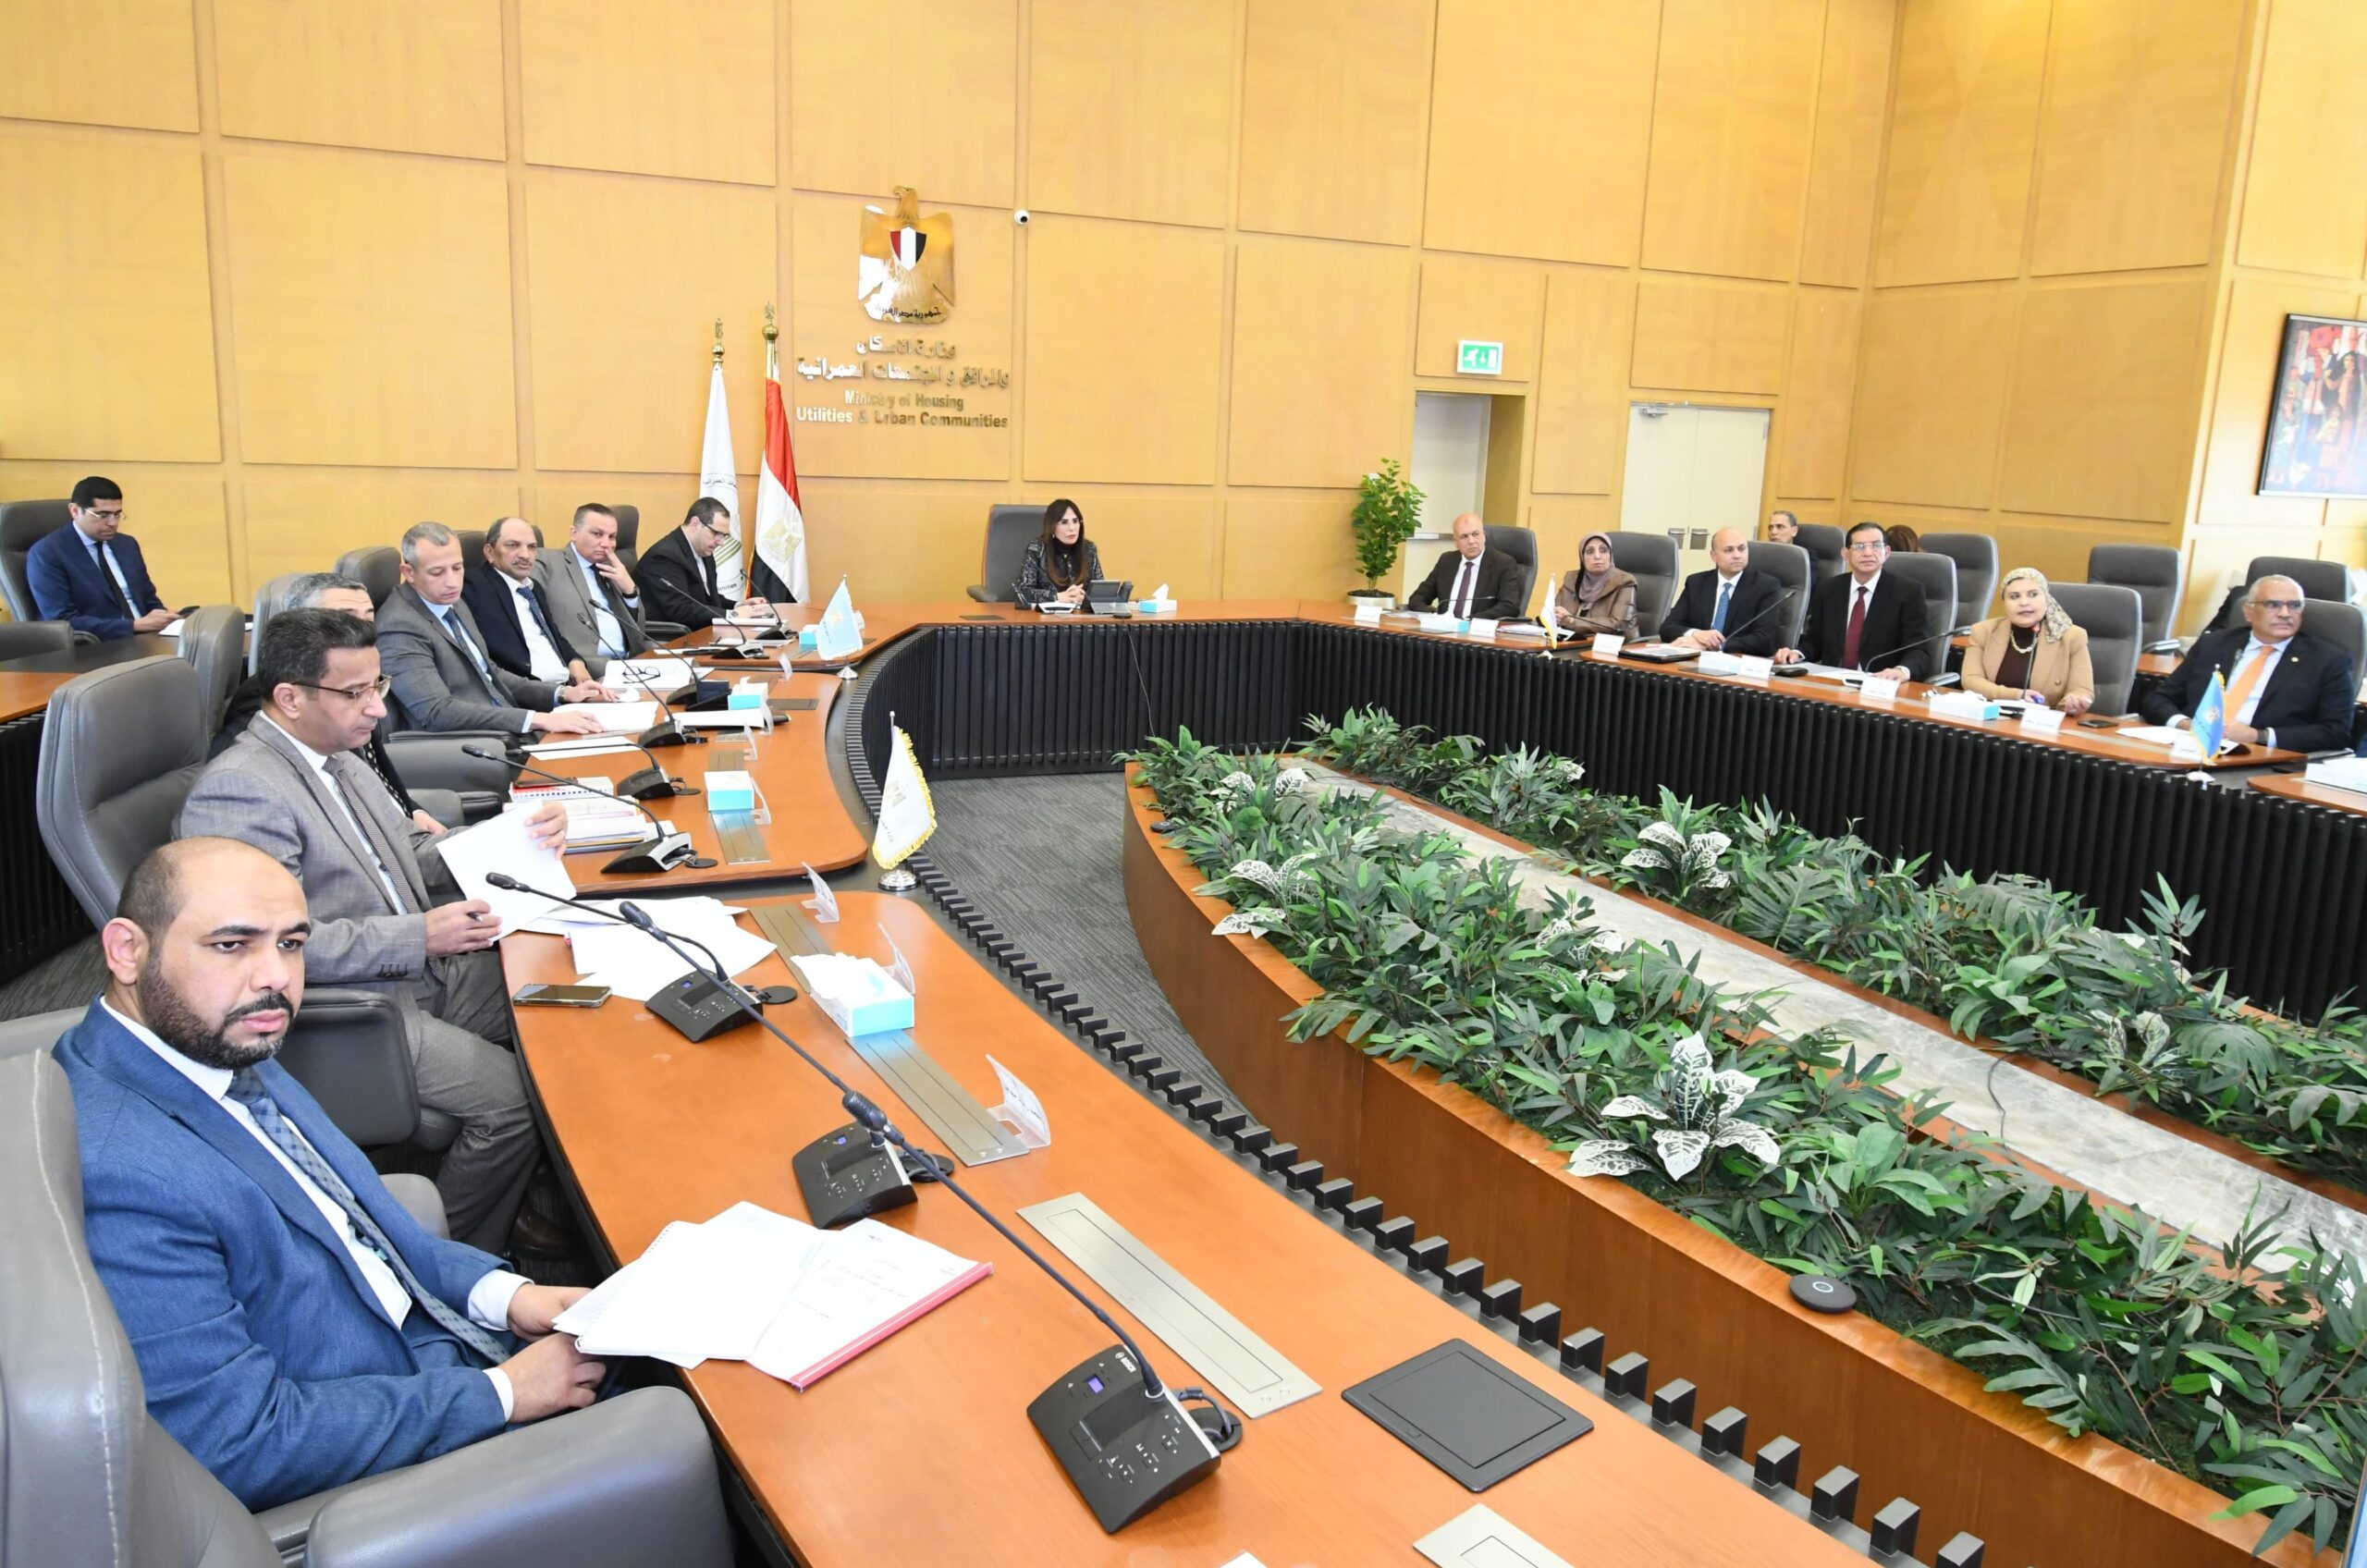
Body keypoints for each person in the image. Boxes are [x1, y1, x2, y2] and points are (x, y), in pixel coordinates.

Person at [53, 837, 604, 1510]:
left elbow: (365, 1225)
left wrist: (507, 1296)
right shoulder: (123, 1172)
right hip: (389, 1441)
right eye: (232, 945)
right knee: (683, 1416)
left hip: (435, 1345)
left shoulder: (215, 1041)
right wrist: (506, 1394)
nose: (275, 977)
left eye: (291, 944)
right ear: (126, 951)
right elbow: (239, 1443)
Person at [180, 608, 570, 1254]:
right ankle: (442, 1254)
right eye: (355, 693)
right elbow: (262, 950)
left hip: (418, 972)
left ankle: (526, 1193)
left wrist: (513, 836)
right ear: (290, 698)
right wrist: (418, 937)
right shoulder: (242, 792)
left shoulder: (341, 759)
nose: (377, 710)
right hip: (354, 1008)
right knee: (514, 1103)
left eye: (378, 686)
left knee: (558, 981)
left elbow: (411, 856)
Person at [217, 572, 454, 828]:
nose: (362, 629)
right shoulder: (267, 705)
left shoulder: (360, 686)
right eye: (345, 619)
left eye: (368, 619)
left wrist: (412, 811)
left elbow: (376, 776)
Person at [377, 522, 607, 735]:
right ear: (409, 573)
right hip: (475, 744)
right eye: (437, 572)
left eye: (457, 568)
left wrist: (562, 694)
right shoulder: (399, 626)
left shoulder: (451, 601)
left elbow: (490, 673)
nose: (452, 582)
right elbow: (437, 712)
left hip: (508, 727)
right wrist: (537, 719)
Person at [2142, 575, 2357, 753]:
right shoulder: (2214, 644)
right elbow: (2158, 699)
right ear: (2249, 612)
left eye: (2294, 606)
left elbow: (2336, 732)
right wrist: (2187, 725)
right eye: (2273, 605)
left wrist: (2257, 736)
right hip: (2189, 746)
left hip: (2260, 756)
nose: (2285, 614)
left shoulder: (2328, 660)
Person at [1777, 520, 1933, 680]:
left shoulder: (1907, 592)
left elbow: (1919, 650)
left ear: (1886, 552)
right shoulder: (1829, 589)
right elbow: (1816, 642)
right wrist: (1796, 653)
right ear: (1845, 555)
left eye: (1875, 546)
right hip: (1833, 681)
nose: (1868, 553)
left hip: (1879, 682)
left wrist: (1901, 670)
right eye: (1859, 546)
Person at [26, 474, 173, 641]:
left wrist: (166, 619)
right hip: (96, 645)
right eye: (103, 515)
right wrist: (134, 626)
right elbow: (63, 622)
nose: (113, 523)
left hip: (146, 639)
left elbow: (148, 599)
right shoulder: (48, 553)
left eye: (117, 514)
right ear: (75, 511)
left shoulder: (127, 544)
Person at [462, 517, 600, 688]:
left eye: (532, 547)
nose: (525, 555)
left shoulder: (532, 588)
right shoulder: (474, 586)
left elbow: (555, 637)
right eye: (513, 545)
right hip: (532, 693)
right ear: (490, 552)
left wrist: (575, 661)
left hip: (569, 686)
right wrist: (556, 693)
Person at [1960, 567, 2095, 714]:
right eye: (2014, 597)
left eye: (2033, 594)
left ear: (2046, 598)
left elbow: (2082, 690)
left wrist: (2075, 700)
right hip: (1991, 716)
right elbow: (1970, 680)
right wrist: (2016, 695)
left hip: (2043, 720)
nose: (2024, 602)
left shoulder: (2071, 636)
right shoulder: (1983, 631)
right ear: (2004, 602)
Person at [537, 502, 652, 667]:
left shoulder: (613, 569)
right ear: (574, 533)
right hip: (587, 665)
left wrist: (630, 592)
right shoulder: (547, 562)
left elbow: (638, 634)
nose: (607, 544)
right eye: (597, 534)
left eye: (612, 537)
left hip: (630, 661)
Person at [638, 498, 773, 629]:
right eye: (716, 533)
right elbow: (681, 609)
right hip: (672, 637)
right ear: (695, 524)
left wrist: (738, 606)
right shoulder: (664, 556)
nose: (721, 542)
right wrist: (733, 615)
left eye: (724, 535)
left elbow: (708, 600)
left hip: (700, 631)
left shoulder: (703, 551)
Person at [1658, 527, 1786, 655]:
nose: (1737, 555)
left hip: (1737, 660)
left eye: (1741, 549)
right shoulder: (1696, 583)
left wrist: (1712, 645)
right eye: (1729, 550)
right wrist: (1696, 634)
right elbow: (1667, 628)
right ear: (1714, 556)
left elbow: (1764, 639)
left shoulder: (1765, 586)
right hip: (1695, 659)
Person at [1405, 511, 1522, 619]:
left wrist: (1470, 621)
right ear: (1456, 542)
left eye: (1475, 534)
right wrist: (1433, 615)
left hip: (1477, 629)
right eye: (1464, 537)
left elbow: (1509, 606)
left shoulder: (1503, 563)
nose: (1471, 541)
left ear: (1484, 535)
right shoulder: (1447, 561)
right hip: (1443, 629)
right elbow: (1417, 598)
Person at [1013, 497, 1104, 609]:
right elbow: (1023, 592)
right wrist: (1057, 597)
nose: (1072, 528)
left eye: (1075, 521)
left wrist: (1086, 598)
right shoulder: (1037, 549)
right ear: (1052, 527)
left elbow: (1101, 590)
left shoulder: (1088, 549)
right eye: (1064, 522)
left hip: (1081, 615)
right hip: (1046, 616)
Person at [1552, 532, 1637, 640]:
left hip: (1613, 644)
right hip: (1574, 642)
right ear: (1582, 557)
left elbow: (1617, 624)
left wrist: (1572, 621)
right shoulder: (1572, 579)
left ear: (1610, 555)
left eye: (1603, 550)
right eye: (1590, 551)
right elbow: (1555, 613)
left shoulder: (1625, 581)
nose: (1597, 556)